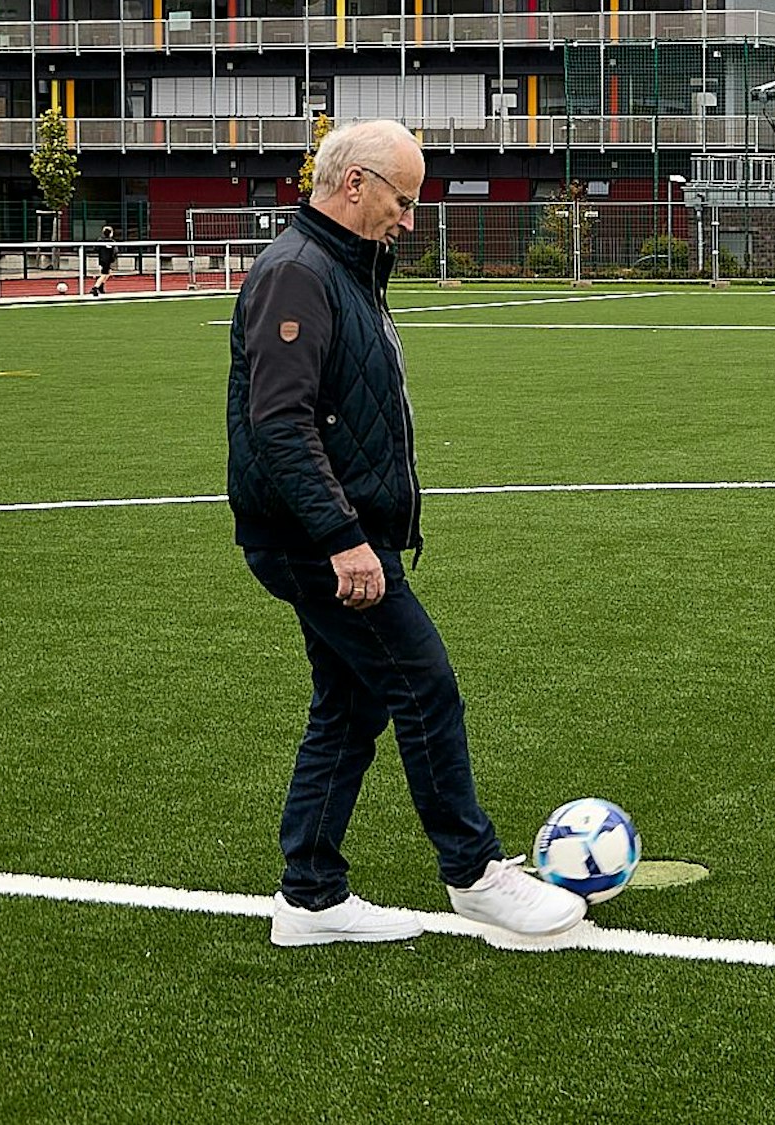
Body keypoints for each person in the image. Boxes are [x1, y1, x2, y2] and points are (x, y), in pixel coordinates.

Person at [227, 119, 586, 949]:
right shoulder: (298, 272)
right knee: (424, 685)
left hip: (330, 530)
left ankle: (310, 894)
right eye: (404, 197)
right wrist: (345, 538)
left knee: (352, 704)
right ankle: (476, 875)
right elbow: (280, 423)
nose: (411, 217)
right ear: (354, 184)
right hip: (320, 540)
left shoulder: (340, 268)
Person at [90, 226, 119, 297]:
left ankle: (101, 285)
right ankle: (95, 287)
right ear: (111, 233)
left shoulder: (100, 240)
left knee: (108, 273)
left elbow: (95, 249)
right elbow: (116, 251)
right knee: (104, 274)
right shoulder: (112, 242)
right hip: (107, 260)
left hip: (102, 259)